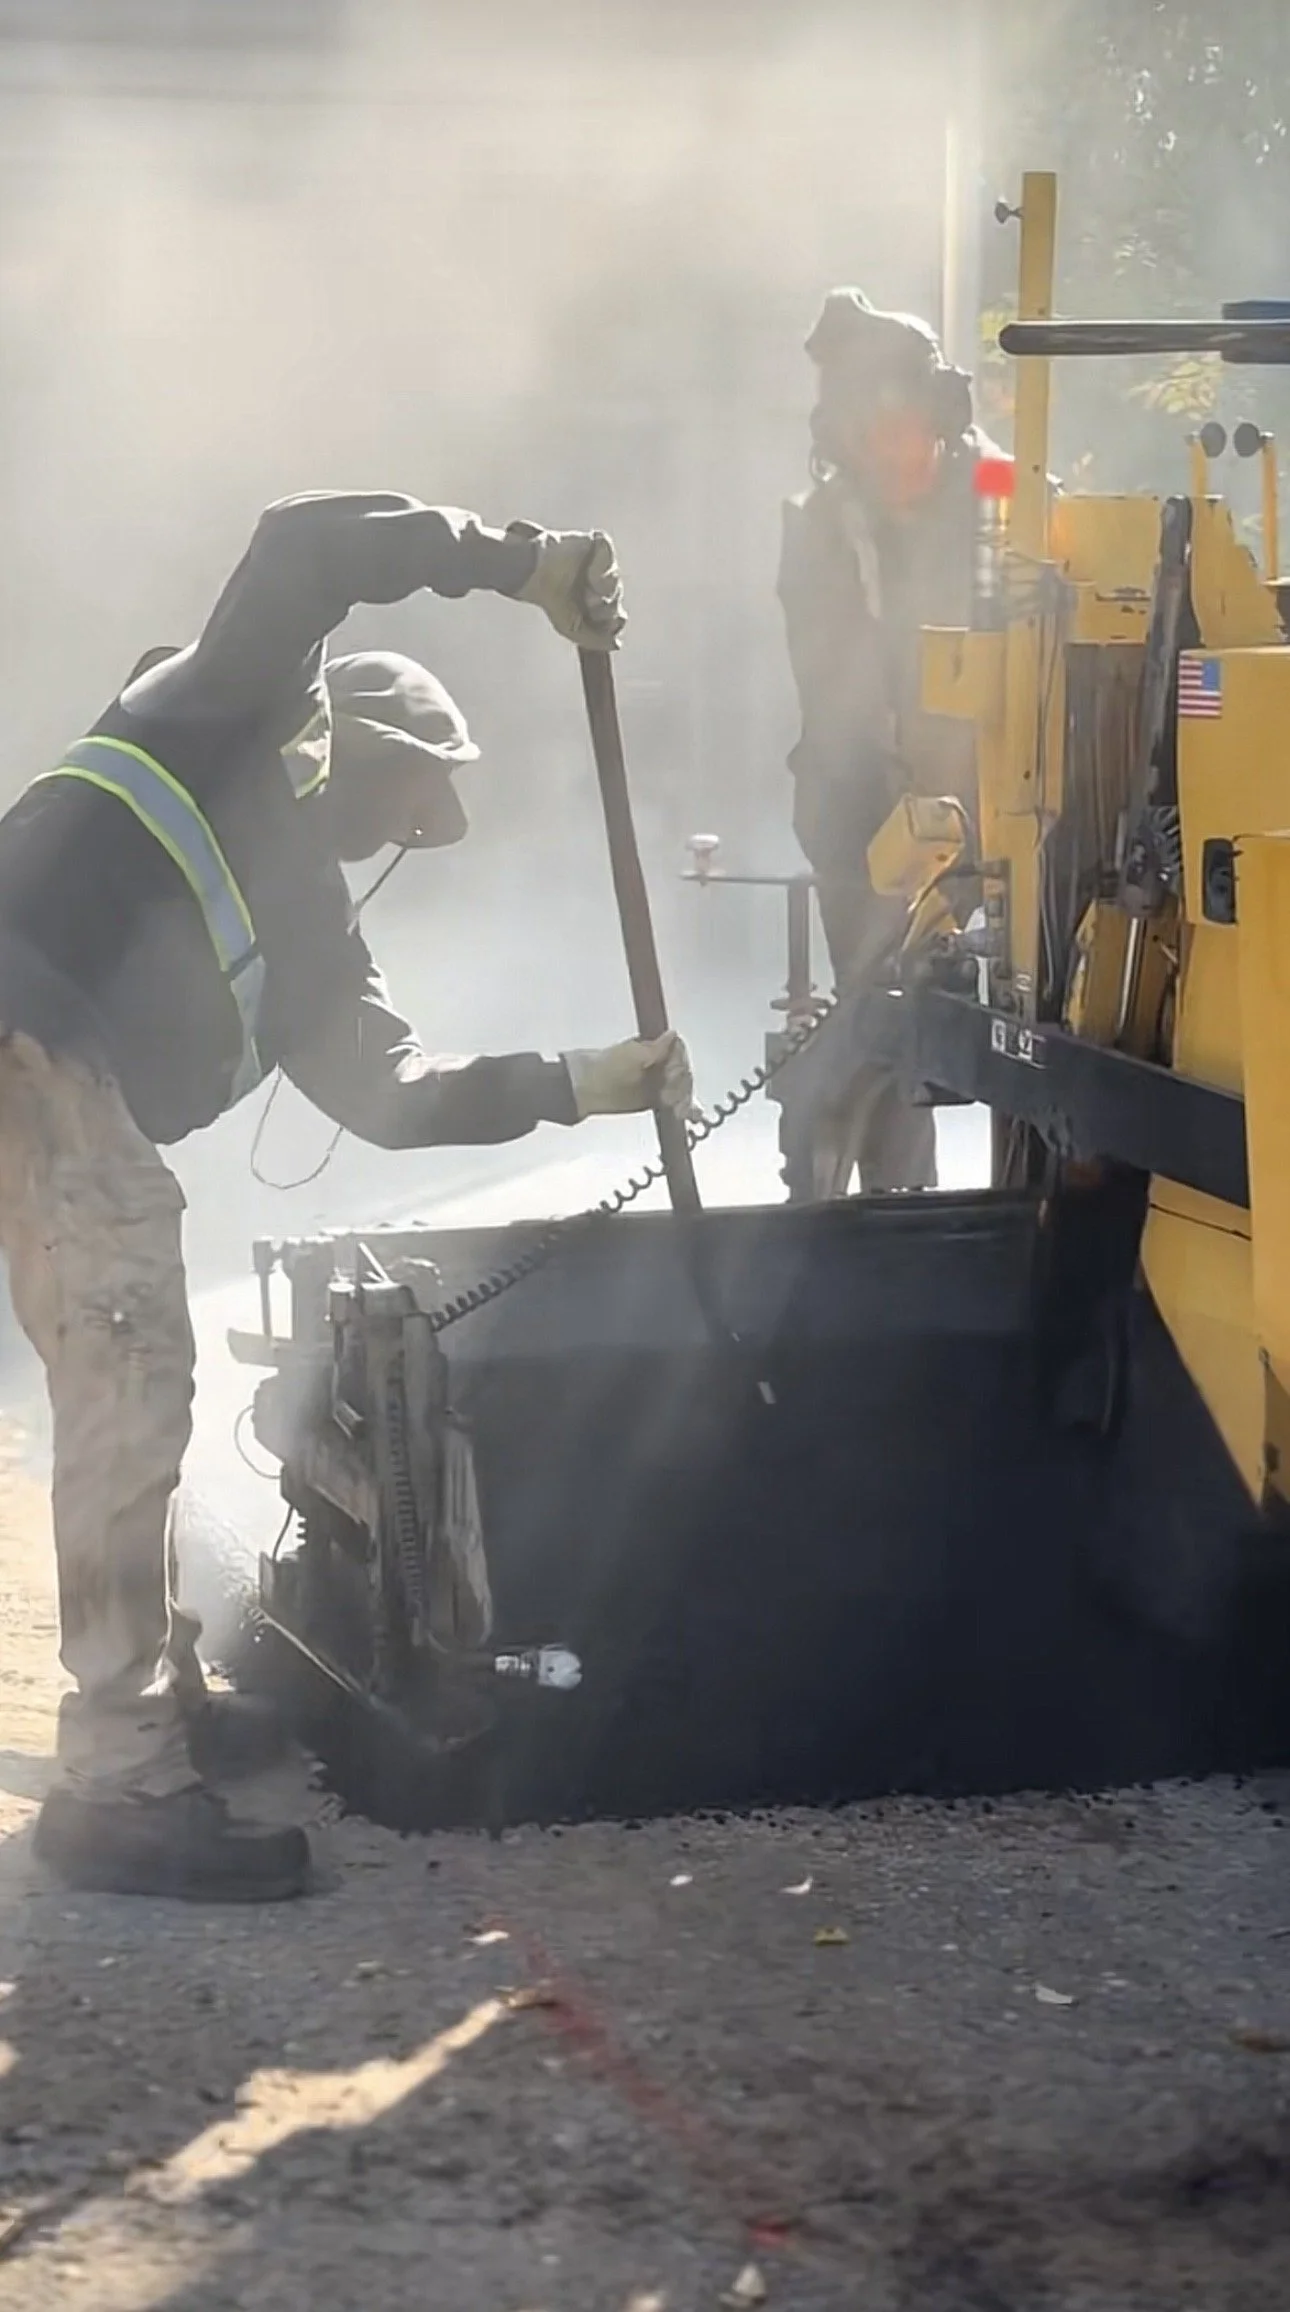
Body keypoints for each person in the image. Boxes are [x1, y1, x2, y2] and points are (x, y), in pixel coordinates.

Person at [0, 490, 695, 1902]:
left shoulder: (312, 937)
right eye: (408, 791)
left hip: (53, 1077)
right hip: (31, 1028)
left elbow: (392, 1092)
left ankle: (151, 1694)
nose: (414, 827)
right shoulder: (232, 710)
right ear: (355, 750)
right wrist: (523, 563)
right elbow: (306, 539)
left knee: (137, 1374)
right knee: (133, 1374)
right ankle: (121, 1781)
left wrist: (582, 1081)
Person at [777, 290, 993, 1197]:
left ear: (943, 418)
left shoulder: (1008, 497)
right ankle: (882, 1213)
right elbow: (839, 701)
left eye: (909, 431)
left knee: (1048, 1035)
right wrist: (899, 854)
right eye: (873, 438)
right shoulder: (821, 528)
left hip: (1009, 809)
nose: (897, 455)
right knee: (883, 1022)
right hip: (864, 816)